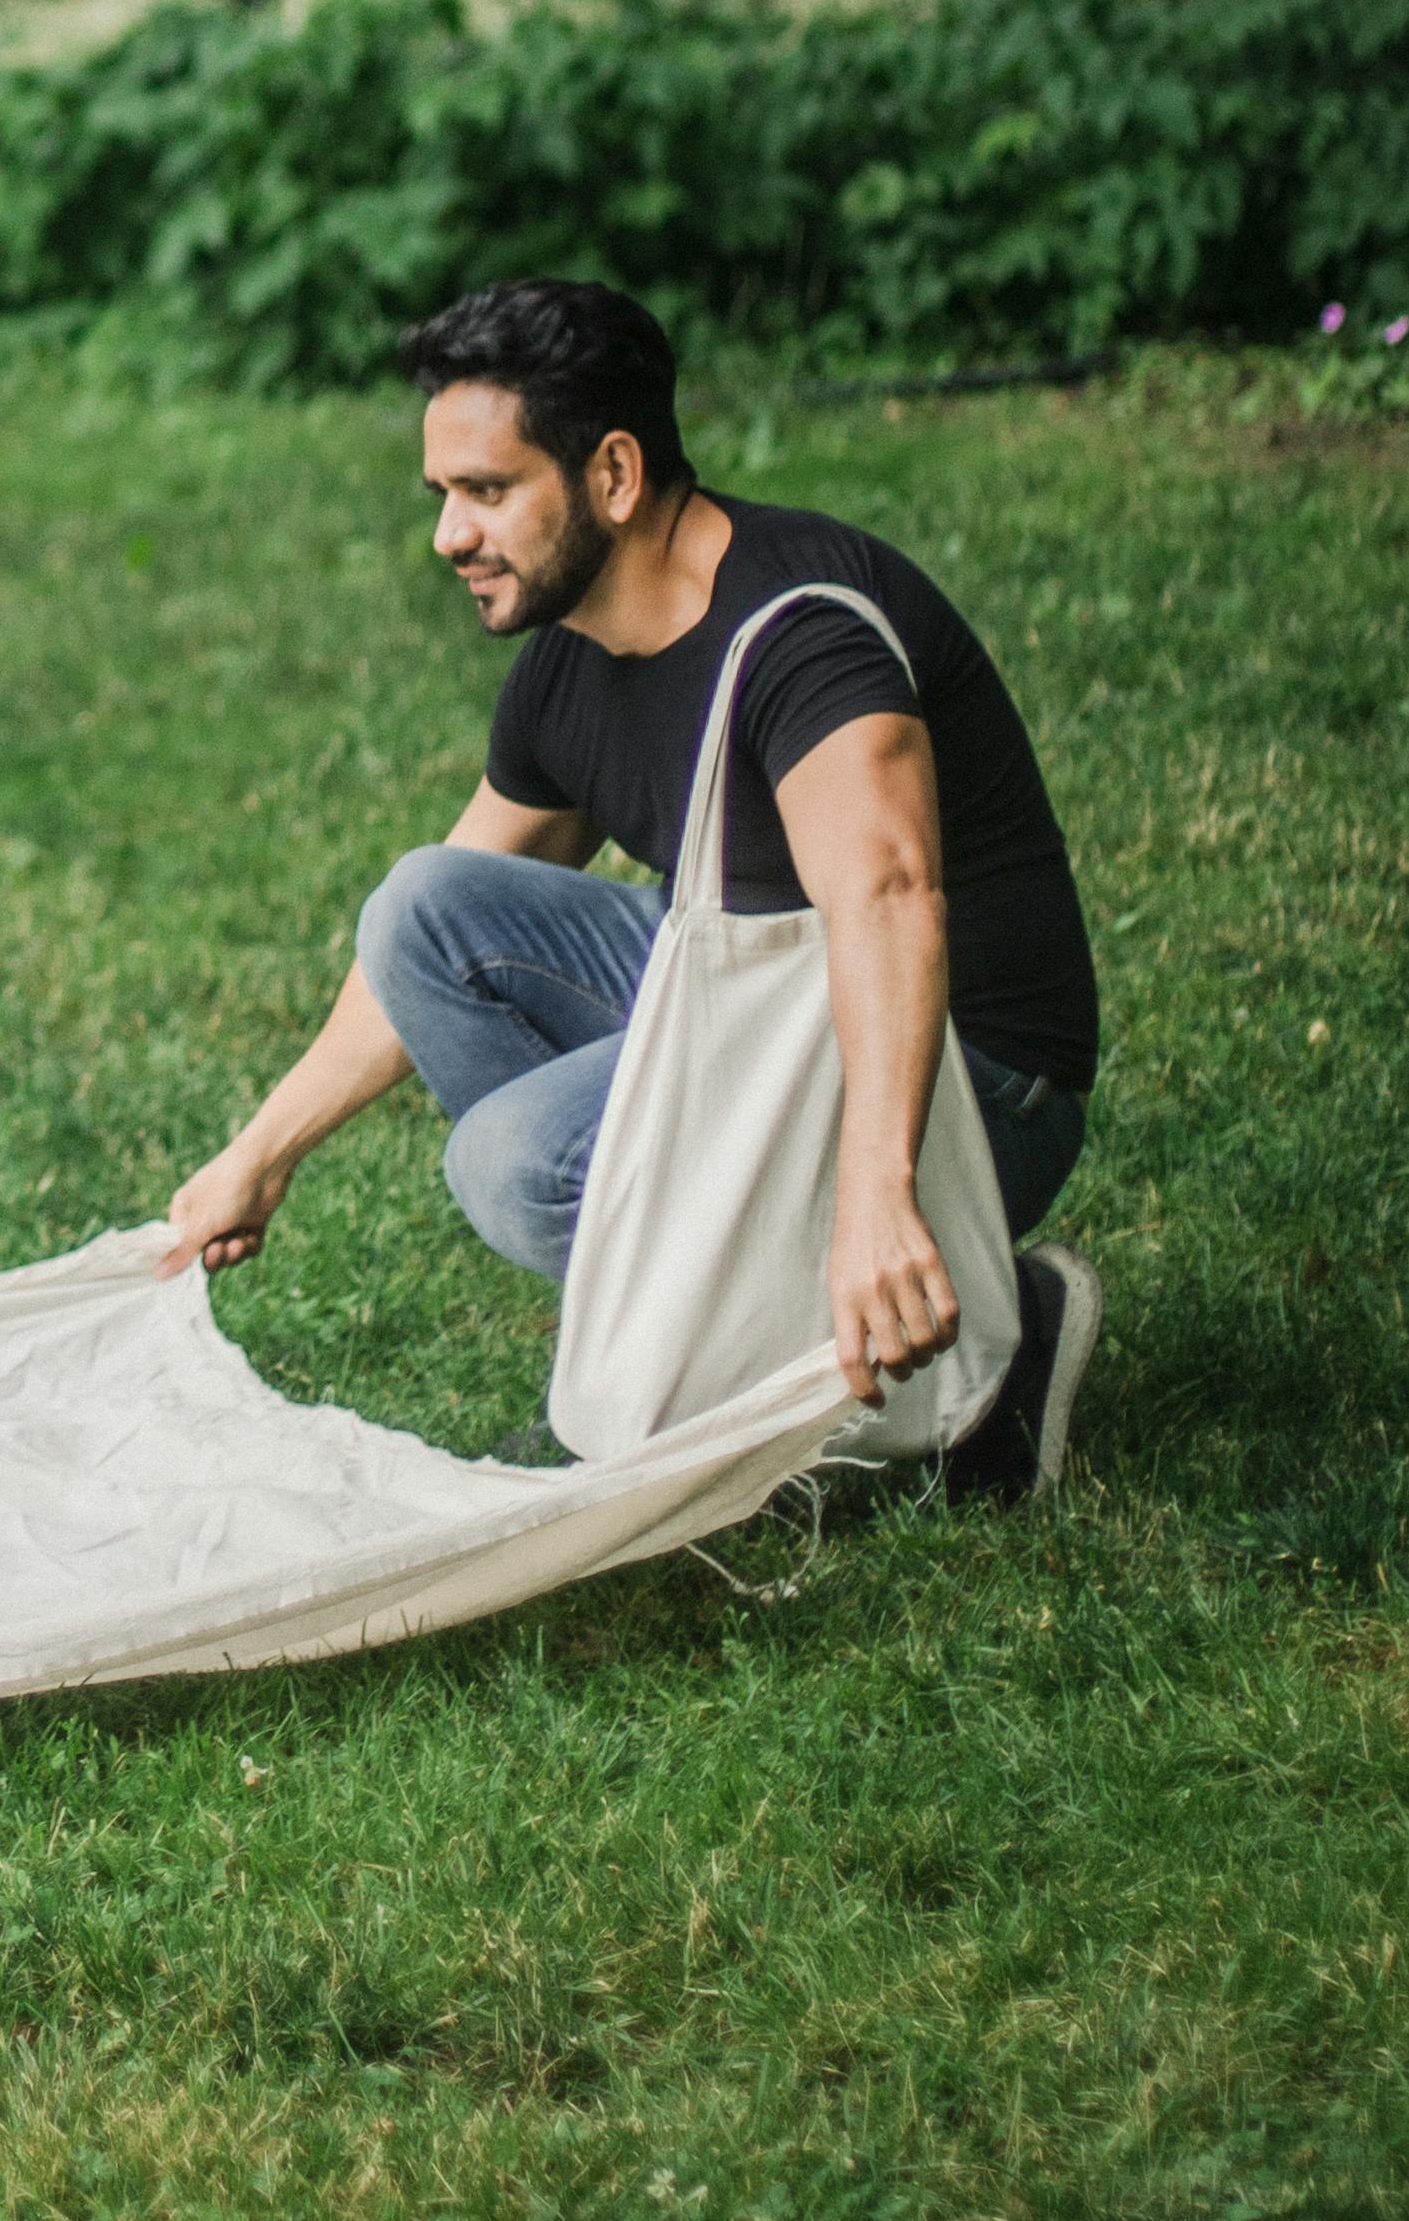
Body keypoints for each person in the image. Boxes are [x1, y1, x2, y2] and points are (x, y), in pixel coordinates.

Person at [162, 280, 1107, 1498]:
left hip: (973, 1076)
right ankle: (719, 1349)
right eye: (444, 495)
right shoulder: (572, 659)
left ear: (612, 475)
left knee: (516, 1162)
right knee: (424, 908)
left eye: (489, 492)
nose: (450, 535)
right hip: (773, 999)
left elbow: (891, 902)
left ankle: (944, 1364)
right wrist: (262, 1151)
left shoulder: (801, 633)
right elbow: (444, 935)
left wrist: (880, 1198)